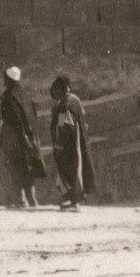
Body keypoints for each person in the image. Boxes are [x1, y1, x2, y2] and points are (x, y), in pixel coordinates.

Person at [0, 66, 52, 208]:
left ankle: (21, 200)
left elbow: (13, 117)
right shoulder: (25, 94)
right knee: (27, 167)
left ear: (8, 79)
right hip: (28, 135)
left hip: (14, 135)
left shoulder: (9, 95)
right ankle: (32, 199)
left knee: (15, 166)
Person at [46, 74, 93, 208]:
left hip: (68, 146)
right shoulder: (75, 99)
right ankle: (75, 199)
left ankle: (74, 200)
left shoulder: (64, 104)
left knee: (69, 170)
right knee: (77, 169)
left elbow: (66, 126)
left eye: (56, 90)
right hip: (79, 141)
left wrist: (59, 145)